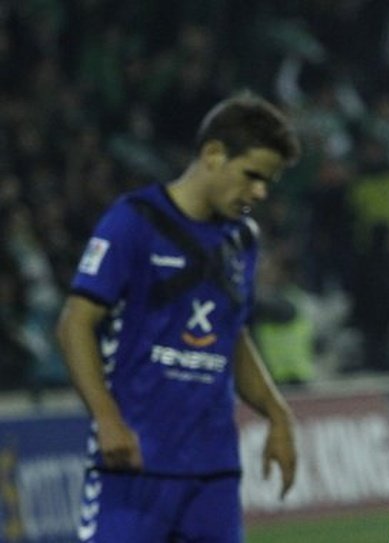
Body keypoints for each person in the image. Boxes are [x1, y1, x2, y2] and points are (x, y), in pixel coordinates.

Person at [56, 91, 300, 543]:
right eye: (251, 176)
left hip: (213, 472)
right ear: (213, 155)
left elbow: (233, 335)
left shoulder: (242, 239)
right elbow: (75, 323)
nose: (260, 192)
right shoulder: (133, 222)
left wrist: (278, 415)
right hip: (133, 462)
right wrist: (106, 419)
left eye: (268, 182)